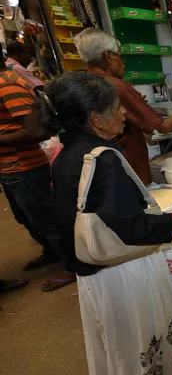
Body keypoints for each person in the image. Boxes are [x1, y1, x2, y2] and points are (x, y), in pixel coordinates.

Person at [40, 72, 172, 374]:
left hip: (94, 275)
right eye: (116, 108)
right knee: (142, 336)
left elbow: (62, 221)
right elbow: (134, 231)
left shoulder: (66, 154)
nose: (124, 112)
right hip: (124, 274)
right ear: (96, 119)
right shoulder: (103, 161)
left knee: (116, 343)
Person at [73, 28, 172, 185]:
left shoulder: (85, 82)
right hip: (127, 161)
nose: (123, 63)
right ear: (108, 56)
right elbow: (163, 127)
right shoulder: (116, 87)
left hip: (102, 162)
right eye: (119, 55)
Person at [0, 51, 76, 291]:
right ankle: (52, 253)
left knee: (48, 219)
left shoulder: (7, 85)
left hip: (25, 167)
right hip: (9, 168)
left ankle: (72, 267)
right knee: (26, 217)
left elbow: (36, 132)